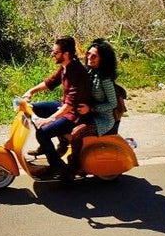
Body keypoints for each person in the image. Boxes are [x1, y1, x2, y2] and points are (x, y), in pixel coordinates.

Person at [21, 36, 91, 178]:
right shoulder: (66, 66)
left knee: (42, 133)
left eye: (55, 52)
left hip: (75, 115)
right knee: (33, 108)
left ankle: (56, 166)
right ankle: (54, 144)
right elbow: (50, 82)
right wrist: (30, 91)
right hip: (64, 106)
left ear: (65, 54)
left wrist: (49, 120)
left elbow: (70, 105)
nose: (52, 54)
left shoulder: (76, 72)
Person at [63, 38, 119, 181]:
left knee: (77, 133)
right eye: (88, 54)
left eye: (94, 56)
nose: (89, 58)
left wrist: (92, 108)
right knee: (61, 122)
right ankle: (62, 149)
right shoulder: (89, 72)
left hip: (102, 119)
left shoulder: (104, 79)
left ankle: (75, 165)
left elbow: (113, 103)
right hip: (88, 113)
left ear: (102, 59)